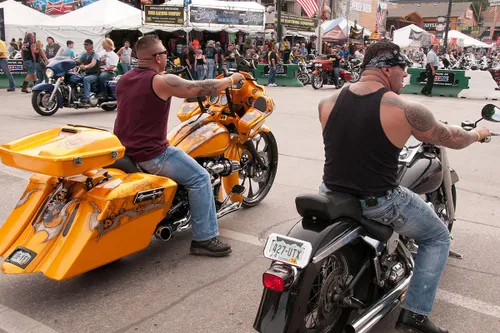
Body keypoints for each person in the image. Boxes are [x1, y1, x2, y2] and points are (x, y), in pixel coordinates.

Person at [317, 41, 490, 333]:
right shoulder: (403, 109)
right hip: (379, 202)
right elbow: (453, 138)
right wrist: (478, 132)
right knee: (437, 237)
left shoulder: (328, 101)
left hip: (330, 192)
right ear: (387, 68)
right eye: (403, 69)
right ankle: (415, 315)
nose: (406, 76)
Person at [114, 35, 245, 256]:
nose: (167, 56)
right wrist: (233, 79)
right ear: (157, 57)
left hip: (122, 150)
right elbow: (201, 88)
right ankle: (204, 238)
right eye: (165, 53)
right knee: (201, 178)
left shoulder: (126, 78)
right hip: (151, 155)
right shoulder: (160, 81)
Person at [75, 39, 101, 104]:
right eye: (84, 44)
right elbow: (78, 60)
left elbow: (93, 63)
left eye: (86, 44)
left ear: (91, 46)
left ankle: (86, 97)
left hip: (95, 74)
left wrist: (85, 66)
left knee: (86, 79)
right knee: (75, 77)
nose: (85, 46)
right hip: (87, 74)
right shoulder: (85, 54)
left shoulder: (95, 55)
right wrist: (70, 62)